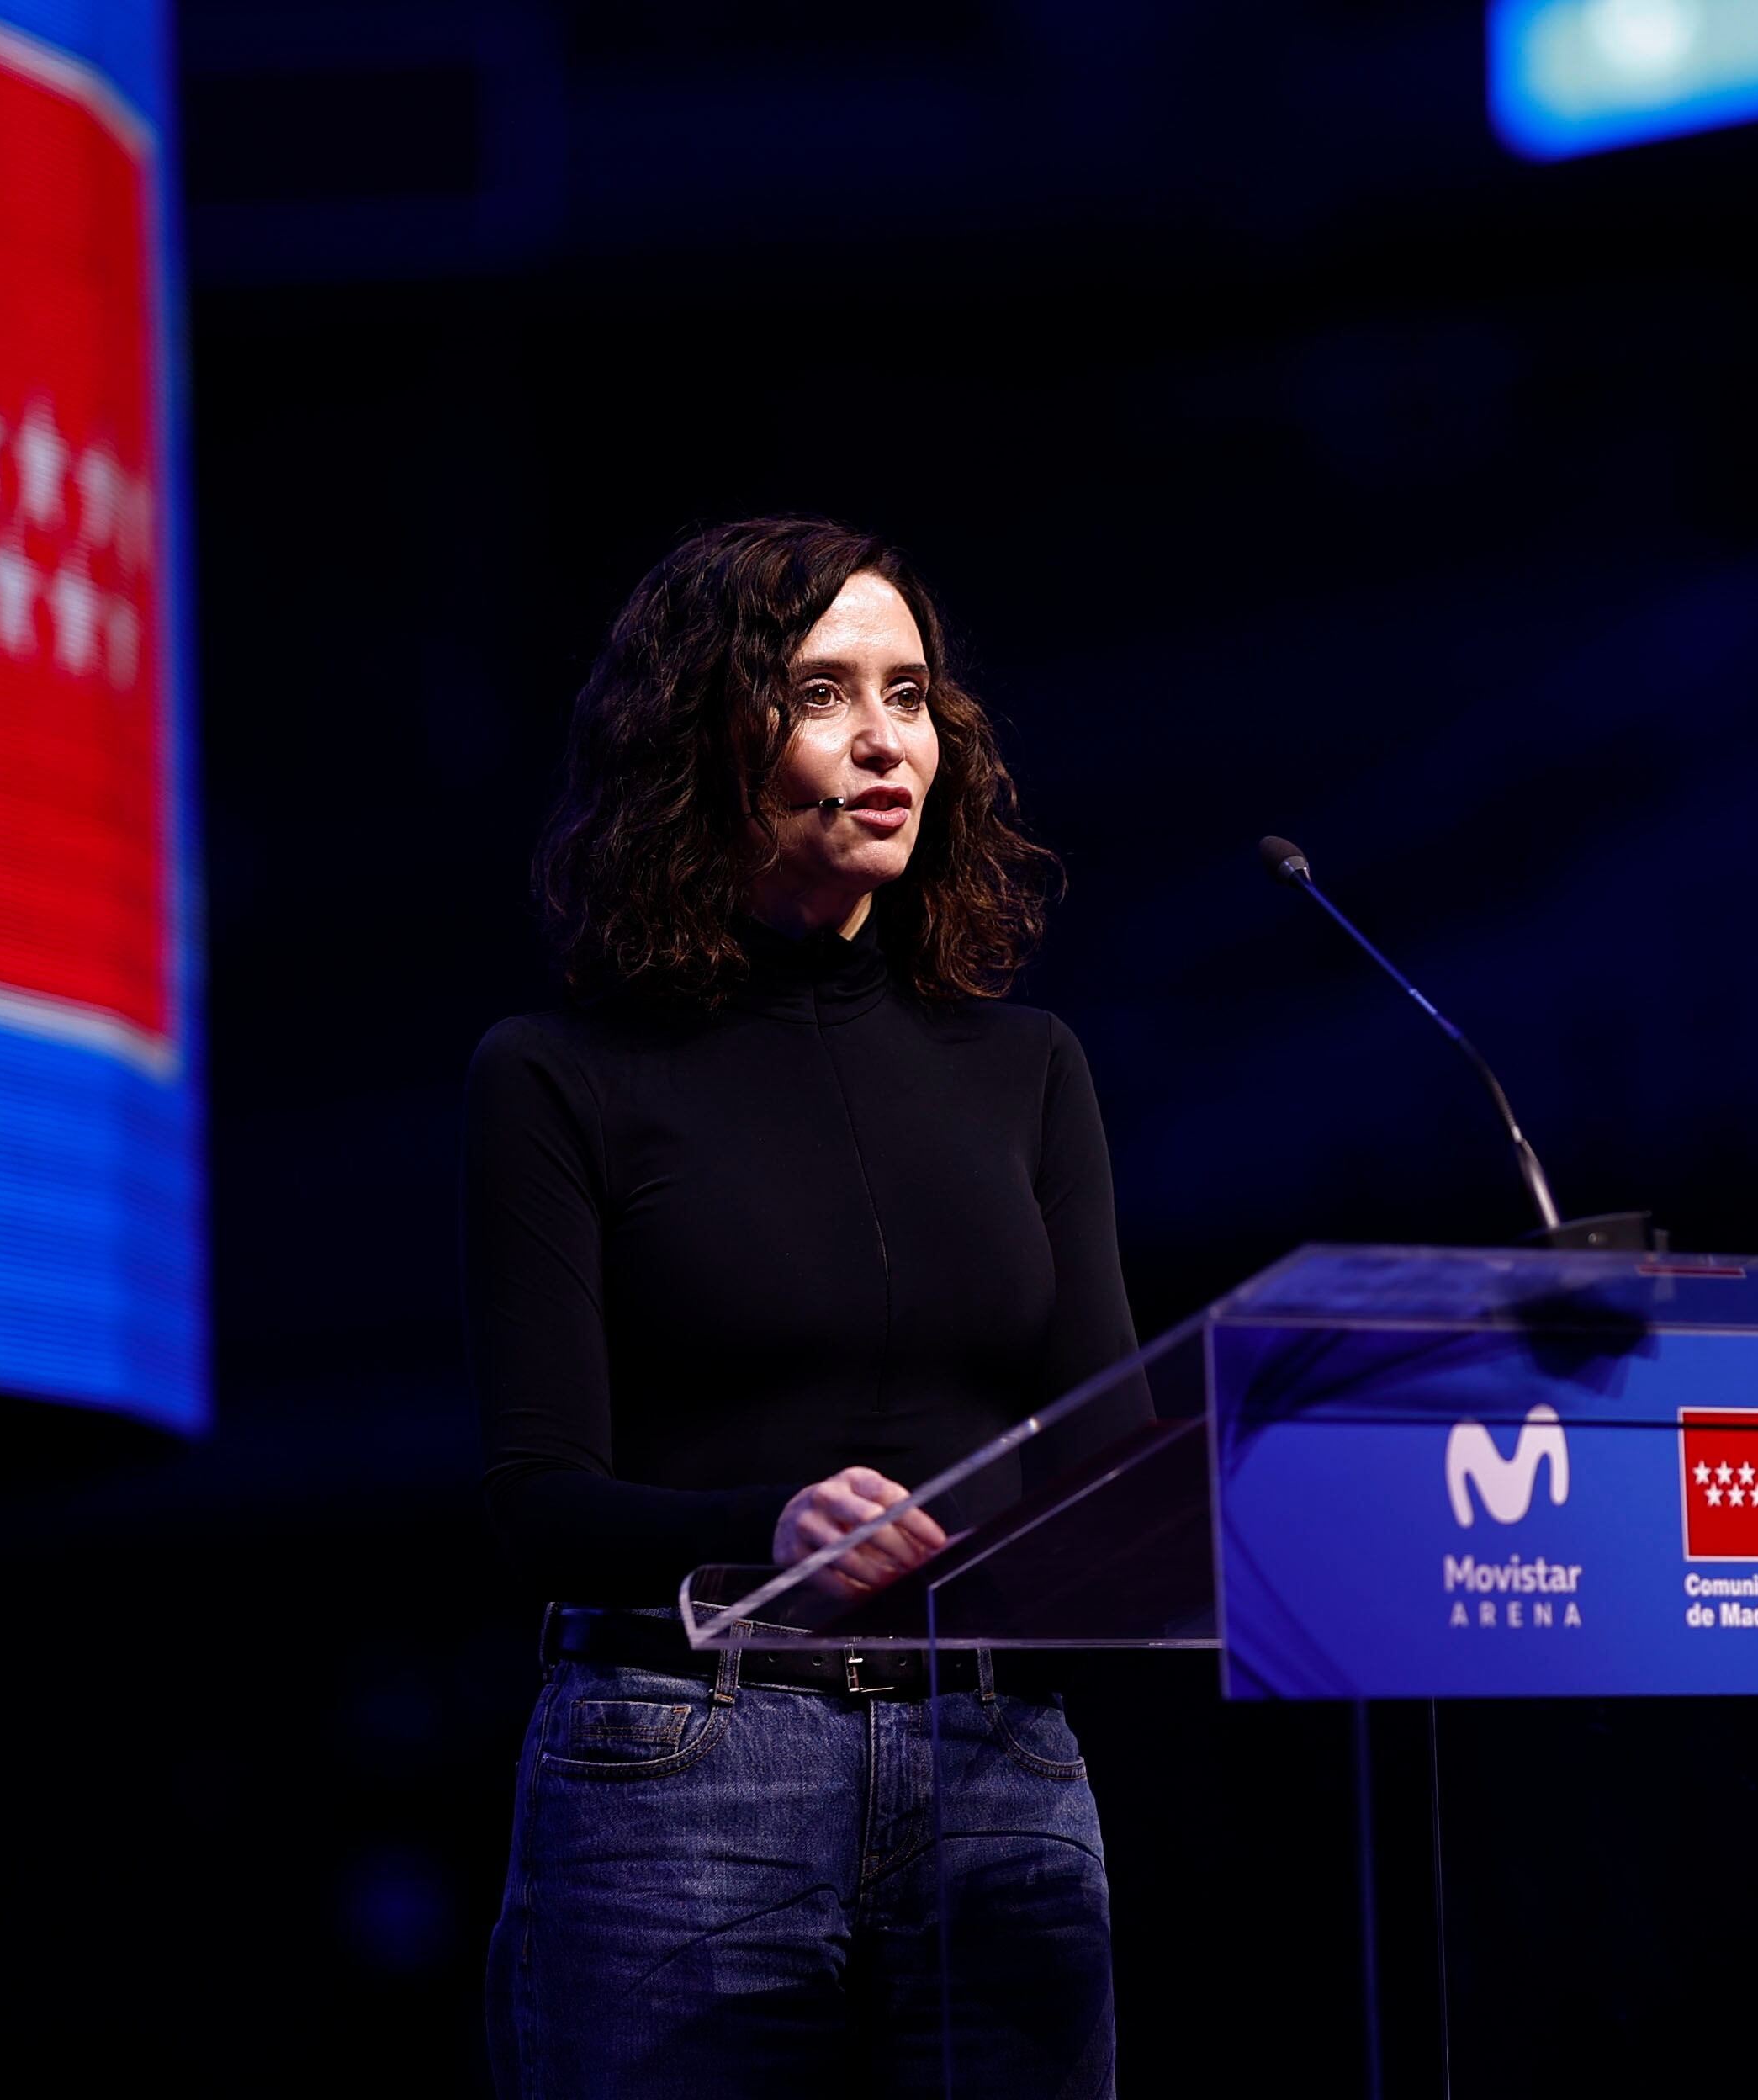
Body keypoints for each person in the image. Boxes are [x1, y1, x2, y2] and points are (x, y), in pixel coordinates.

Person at [464, 517, 1137, 2097]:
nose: (888, 736)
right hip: (684, 1771)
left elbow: (1113, 1444)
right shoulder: (557, 1076)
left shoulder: (1031, 1068)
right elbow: (538, 1502)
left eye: (909, 694)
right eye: (825, 692)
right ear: (706, 735)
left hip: (1000, 1764)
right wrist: (766, 1526)